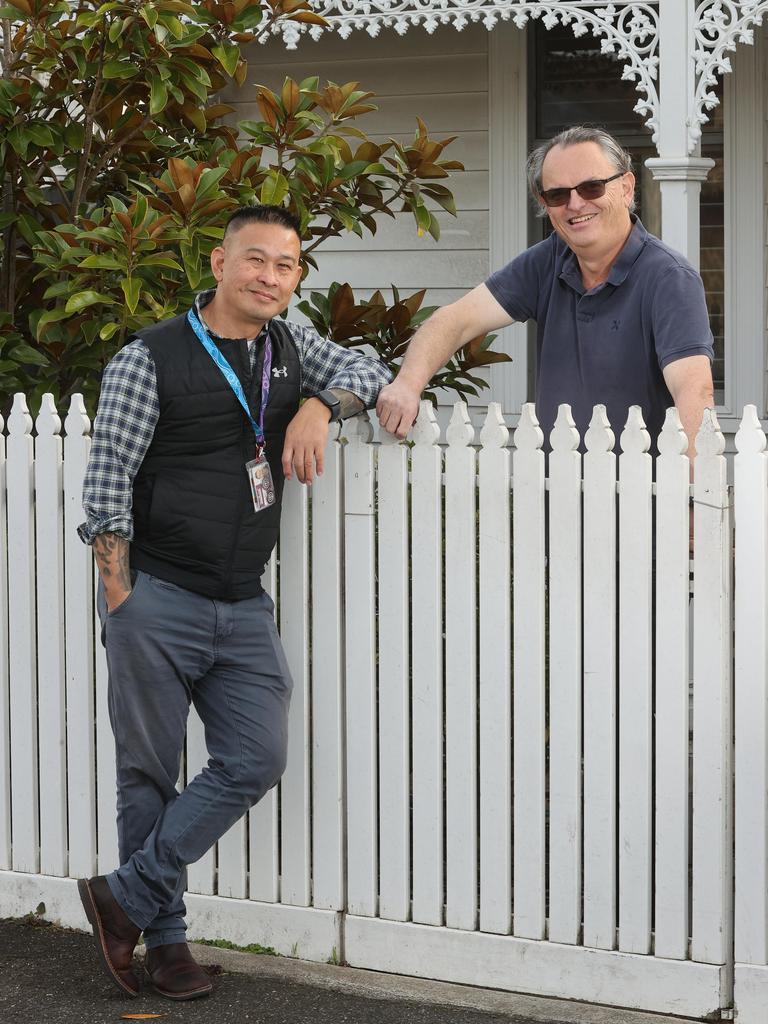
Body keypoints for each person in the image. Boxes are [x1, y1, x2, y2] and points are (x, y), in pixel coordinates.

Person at [76, 204, 391, 1001]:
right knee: (146, 772)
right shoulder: (150, 357)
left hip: (243, 602)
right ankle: (168, 945)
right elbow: (109, 473)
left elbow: (368, 371)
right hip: (158, 595)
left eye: (286, 267)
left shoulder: (288, 346)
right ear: (218, 264)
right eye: (256, 261)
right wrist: (121, 593)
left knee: (255, 758)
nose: (271, 278)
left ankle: (125, 896)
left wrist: (320, 405)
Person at [376, 125, 714, 458]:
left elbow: (693, 389)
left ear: (626, 188)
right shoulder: (549, 260)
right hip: (557, 494)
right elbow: (457, 319)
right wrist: (407, 384)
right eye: (558, 194)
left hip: (644, 498)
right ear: (545, 203)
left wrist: (694, 499)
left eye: (592, 187)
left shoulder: (669, 277)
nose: (575, 204)